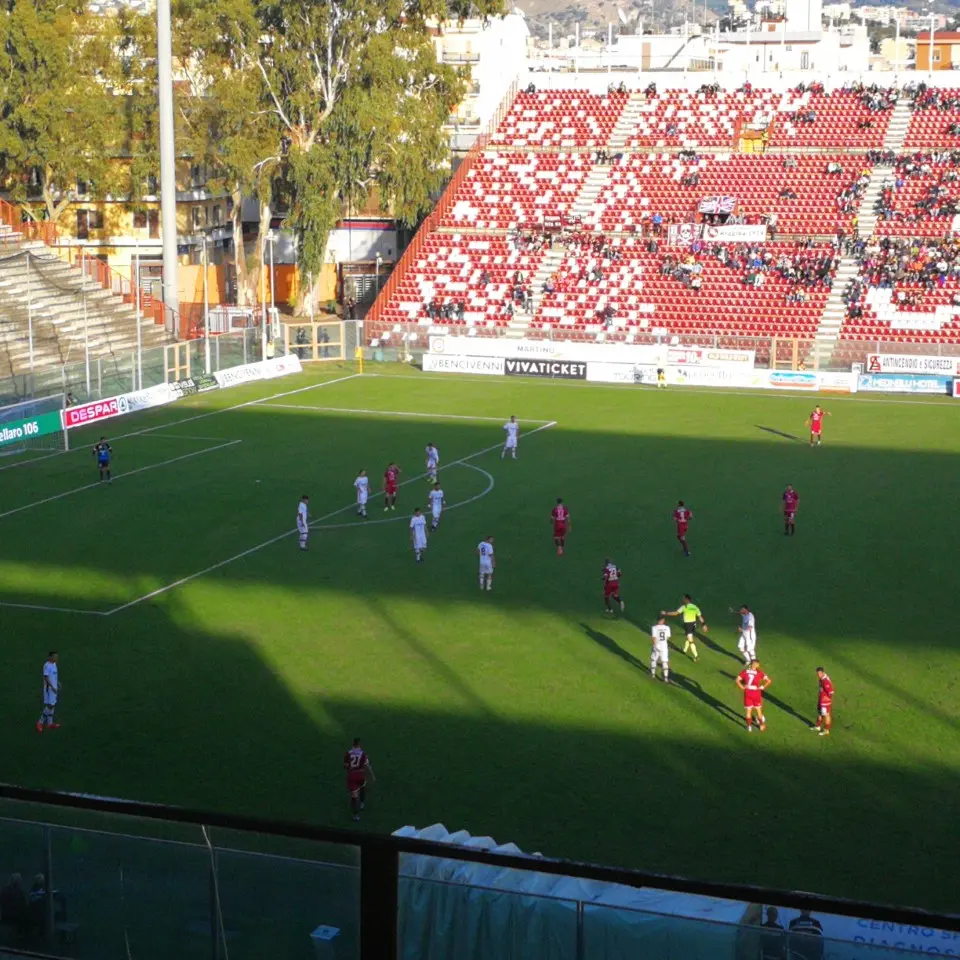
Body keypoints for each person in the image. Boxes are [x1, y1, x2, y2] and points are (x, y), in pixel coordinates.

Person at [663, 595, 707, 662]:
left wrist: (666, 613)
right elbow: (700, 616)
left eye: (684, 599)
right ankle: (684, 650)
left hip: (688, 625)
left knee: (690, 641)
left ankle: (696, 656)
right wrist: (704, 625)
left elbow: (676, 613)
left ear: (687, 600)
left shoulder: (684, 607)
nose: (683, 600)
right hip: (693, 625)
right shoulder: (695, 607)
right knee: (689, 637)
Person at [344, 737, 375, 822]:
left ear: (353, 744)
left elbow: (346, 766)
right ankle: (362, 803)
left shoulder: (348, 753)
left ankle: (356, 815)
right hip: (360, 774)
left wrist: (350, 771)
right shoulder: (363, 753)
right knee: (362, 786)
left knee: (354, 796)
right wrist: (372, 775)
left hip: (352, 775)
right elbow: (367, 765)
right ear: (359, 745)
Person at [736, 658, 771, 732]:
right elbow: (769, 681)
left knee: (748, 711)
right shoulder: (759, 673)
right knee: (758, 710)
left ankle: (749, 727)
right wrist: (763, 687)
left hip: (748, 692)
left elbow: (737, 680)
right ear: (757, 665)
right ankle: (761, 725)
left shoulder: (745, 671)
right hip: (756, 693)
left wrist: (742, 687)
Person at [37, 652, 59, 733]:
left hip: (54, 688)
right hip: (49, 689)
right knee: (50, 705)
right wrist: (52, 687)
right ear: (50, 657)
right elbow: (46, 677)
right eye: (55, 657)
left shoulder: (54, 664)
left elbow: (54, 676)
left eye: (57, 657)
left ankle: (50, 723)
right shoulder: (47, 665)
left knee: (53, 704)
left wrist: (57, 683)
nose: (56, 658)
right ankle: (40, 722)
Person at [812, 667, 835, 737]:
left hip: (825, 702)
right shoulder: (821, 678)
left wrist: (827, 700)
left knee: (826, 715)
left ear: (822, 673)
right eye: (817, 673)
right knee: (820, 713)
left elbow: (831, 692)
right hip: (821, 700)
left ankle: (826, 730)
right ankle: (818, 726)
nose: (818, 675)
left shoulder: (825, 681)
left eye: (819, 673)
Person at [650, 614, 670, 682]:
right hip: (664, 646)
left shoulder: (654, 628)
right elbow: (667, 637)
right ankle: (666, 678)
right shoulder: (667, 628)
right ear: (663, 620)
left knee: (653, 660)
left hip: (657, 645)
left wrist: (655, 646)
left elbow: (654, 638)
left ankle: (653, 675)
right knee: (664, 662)